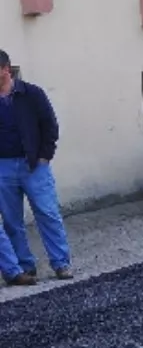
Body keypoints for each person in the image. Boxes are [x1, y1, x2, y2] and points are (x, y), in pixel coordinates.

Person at [0, 51, 72, 280]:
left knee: (48, 213)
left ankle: (61, 263)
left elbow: (50, 125)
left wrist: (44, 156)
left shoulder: (31, 94)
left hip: (34, 165)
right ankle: (25, 266)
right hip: (3, 167)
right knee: (12, 220)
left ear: (6, 69)